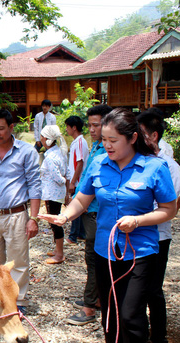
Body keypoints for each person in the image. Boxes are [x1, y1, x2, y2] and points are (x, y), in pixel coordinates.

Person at [39, 108, 177, 343]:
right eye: (104, 139)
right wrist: (64, 216)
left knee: (131, 315)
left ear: (132, 138)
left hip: (140, 253)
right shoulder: (99, 163)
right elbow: (82, 199)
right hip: (104, 251)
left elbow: (169, 209)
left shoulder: (153, 167)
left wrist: (139, 221)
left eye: (113, 140)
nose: (107, 146)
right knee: (111, 313)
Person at [0, 109, 41, 313]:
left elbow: (35, 185)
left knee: (18, 262)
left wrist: (34, 218)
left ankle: (18, 303)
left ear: (12, 128)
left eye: (1, 128)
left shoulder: (27, 152)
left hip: (17, 215)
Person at [137, 109, 180, 343]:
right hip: (132, 237)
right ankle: (139, 334)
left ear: (153, 136)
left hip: (157, 238)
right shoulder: (134, 162)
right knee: (135, 289)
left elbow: (167, 208)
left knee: (153, 290)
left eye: (141, 134)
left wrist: (138, 218)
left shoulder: (170, 168)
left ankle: (159, 340)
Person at [65, 104, 113, 326]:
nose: (92, 129)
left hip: (96, 214)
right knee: (91, 258)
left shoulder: (109, 152)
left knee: (96, 260)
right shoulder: (96, 146)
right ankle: (97, 299)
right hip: (87, 211)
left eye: (97, 125)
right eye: (91, 125)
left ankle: (89, 308)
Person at [39, 125, 69, 265]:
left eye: (41, 136)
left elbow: (58, 177)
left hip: (53, 193)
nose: (40, 139)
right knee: (54, 222)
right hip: (54, 193)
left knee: (55, 223)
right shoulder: (58, 152)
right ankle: (58, 250)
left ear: (46, 139)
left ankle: (60, 254)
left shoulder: (51, 157)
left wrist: (63, 181)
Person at [65, 115, 89, 244]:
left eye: (68, 127)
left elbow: (80, 162)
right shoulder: (77, 142)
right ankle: (81, 233)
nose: (66, 130)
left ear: (74, 128)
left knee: (76, 206)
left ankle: (73, 235)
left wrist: (73, 181)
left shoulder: (80, 141)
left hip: (79, 180)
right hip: (77, 179)